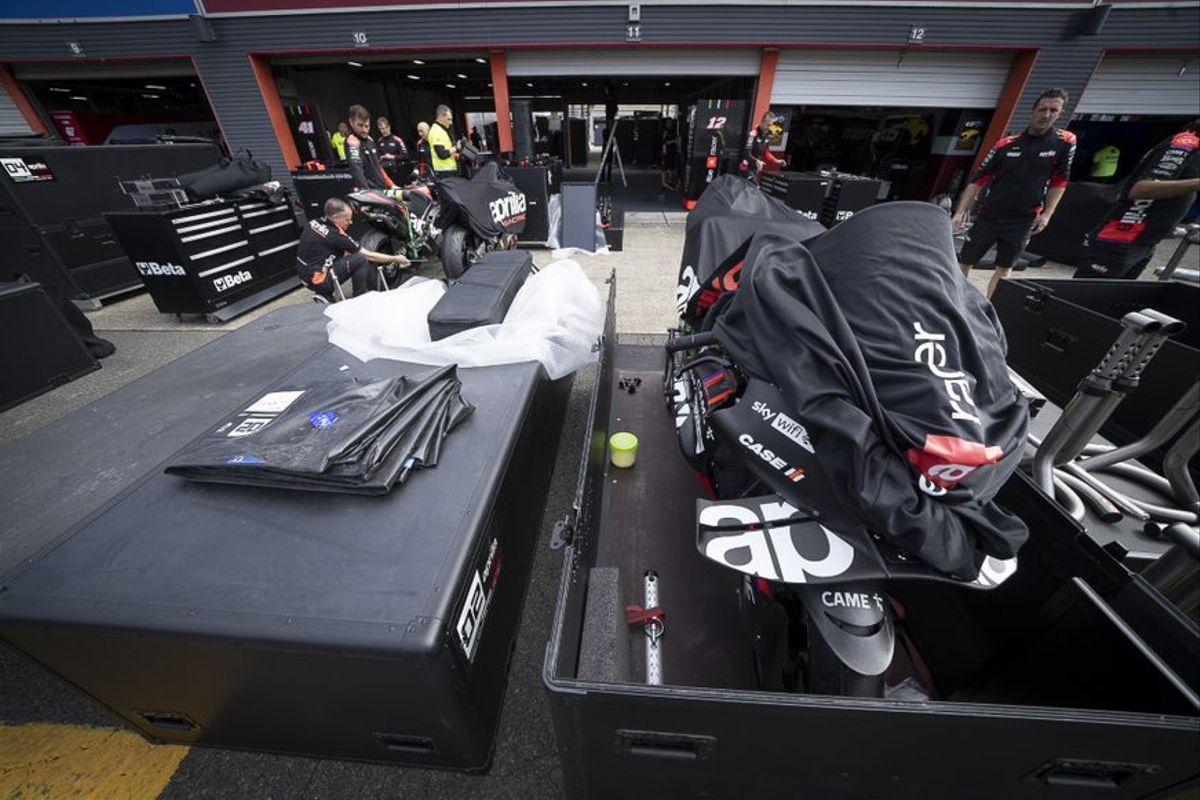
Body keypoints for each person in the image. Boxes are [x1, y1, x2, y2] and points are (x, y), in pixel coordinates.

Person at [952, 88, 1076, 298]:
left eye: (1053, 110)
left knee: (1004, 269)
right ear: (1033, 110)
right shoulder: (1006, 144)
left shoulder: (1064, 142)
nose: (1046, 115)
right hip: (990, 215)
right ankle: (955, 301)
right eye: (1042, 109)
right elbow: (978, 180)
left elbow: (1060, 181)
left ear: (1060, 113)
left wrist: (1047, 215)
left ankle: (990, 311)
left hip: (1023, 219)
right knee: (964, 262)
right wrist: (959, 212)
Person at [1076, 119, 1200, 279]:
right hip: (1120, 239)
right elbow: (1140, 189)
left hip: (1144, 242)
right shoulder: (1185, 144)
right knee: (1086, 298)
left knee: (1115, 302)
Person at [296, 198, 408, 300]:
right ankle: (360, 299)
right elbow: (369, 255)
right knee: (360, 258)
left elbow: (319, 251)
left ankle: (324, 295)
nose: (351, 222)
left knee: (344, 255)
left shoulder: (314, 222)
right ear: (335, 218)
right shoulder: (336, 236)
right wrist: (396, 258)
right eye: (347, 219)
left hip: (304, 275)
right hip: (318, 280)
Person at [345, 104, 395, 192]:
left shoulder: (370, 140)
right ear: (351, 123)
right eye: (360, 125)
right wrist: (367, 193)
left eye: (367, 126)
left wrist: (391, 185)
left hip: (382, 189)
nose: (364, 130)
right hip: (370, 192)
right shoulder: (352, 141)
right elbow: (357, 171)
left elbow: (378, 166)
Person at [740, 111, 787, 182]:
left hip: (756, 168)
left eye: (771, 125)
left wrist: (776, 161)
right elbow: (746, 153)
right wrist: (756, 161)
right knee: (755, 188)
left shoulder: (770, 134)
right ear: (762, 122)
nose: (770, 127)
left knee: (752, 190)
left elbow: (766, 152)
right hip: (745, 167)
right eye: (768, 125)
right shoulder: (753, 134)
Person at [429, 104, 460, 180]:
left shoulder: (441, 130)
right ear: (441, 117)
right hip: (444, 172)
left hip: (447, 170)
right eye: (449, 119)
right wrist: (456, 147)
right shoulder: (436, 131)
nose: (450, 122)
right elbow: (442, 154)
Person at [376, 116, 410, 184]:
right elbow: (377, 156)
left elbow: (406, 156)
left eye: (384, 128)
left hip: (397, 172)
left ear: (389, 127)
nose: (383, 131)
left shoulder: (397, 140)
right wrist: (381, 157)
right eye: (381, 129)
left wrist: (392, 157)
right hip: (385, 172)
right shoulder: (379, 141)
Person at [660, 118, 680, 192]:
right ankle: (664, 183)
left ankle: (669, 181)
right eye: (668, 123)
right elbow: (664, 141)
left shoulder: (674, 131)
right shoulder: (665, 131)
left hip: (672, 151)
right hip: (666, 152)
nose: (669, 124)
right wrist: (673, 141)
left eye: (671, 123)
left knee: (671, 167)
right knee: (664, 167)